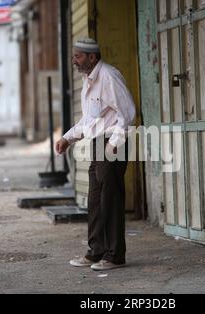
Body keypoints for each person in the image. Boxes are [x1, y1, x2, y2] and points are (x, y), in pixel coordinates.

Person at [55, 38, 136, 271]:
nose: (74, 60)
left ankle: (114, 256)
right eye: (74, 56)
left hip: (111, 144)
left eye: (78, 56)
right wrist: (67, 138)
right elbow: (89, 120)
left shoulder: (108, 76)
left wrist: (114, 144)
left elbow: (128, 112)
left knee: (110, 200)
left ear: (92, 57)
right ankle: (96, 251)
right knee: (96, 201)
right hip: (97, 144)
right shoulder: (88, 81)